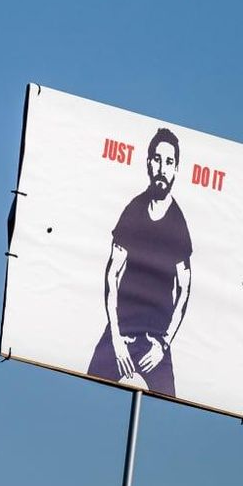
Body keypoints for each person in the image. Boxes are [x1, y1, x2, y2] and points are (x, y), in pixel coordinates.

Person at [87, 127, 192, 396]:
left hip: (155, 340)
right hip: (122, 330)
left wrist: (164, 344)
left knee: (169, 401)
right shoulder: (133, 211)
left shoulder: (178, 224)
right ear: (148, 163)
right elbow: (112, 273)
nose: (162, 169)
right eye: (157, 160)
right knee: (88, 382)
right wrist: (115, 339)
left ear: (176, 168)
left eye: (169, 162)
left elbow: (184, 288)